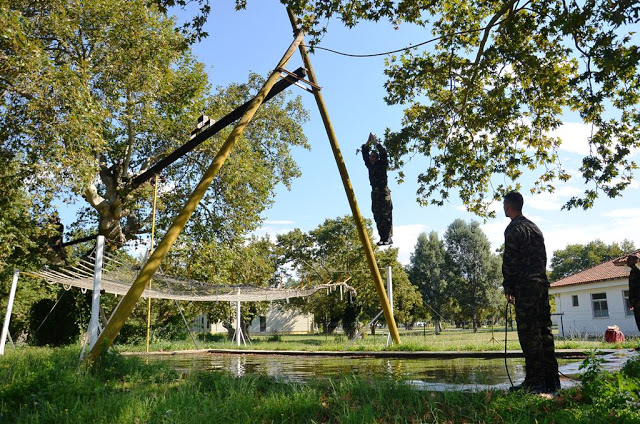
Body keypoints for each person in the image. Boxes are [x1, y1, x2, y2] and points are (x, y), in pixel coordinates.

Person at [502, 191, 559, 394]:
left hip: (525, 287)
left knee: (529, 334)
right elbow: (543, 257)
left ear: (508, 206)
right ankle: (552, 380)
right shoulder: (535, 228)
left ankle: (535, 382)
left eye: (504, 205)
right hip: (541, 284)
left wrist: (508, 287)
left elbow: (510, 261)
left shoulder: (513, 229)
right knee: (544, 331)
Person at [361, 133, 393, 246]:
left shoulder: (382, 164)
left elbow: (383, 152)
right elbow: (364, 152)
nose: (371, 158)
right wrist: (368, 142)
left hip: (383, 191)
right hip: (375, 193)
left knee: (386, 214)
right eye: (371, 157)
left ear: (377, 158)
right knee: (377, 215)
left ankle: (388, 237)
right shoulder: (370, 166)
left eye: (373, 156)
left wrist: (375, 143)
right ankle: (382, 237)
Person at [615, 253, 640, 332]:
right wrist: (631, 302)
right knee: (639, 323)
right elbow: (631, 289)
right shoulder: (632, 273)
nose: (627, 261)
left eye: (629, 259)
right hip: (635, 303)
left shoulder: (638, 272)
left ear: (635, 261)